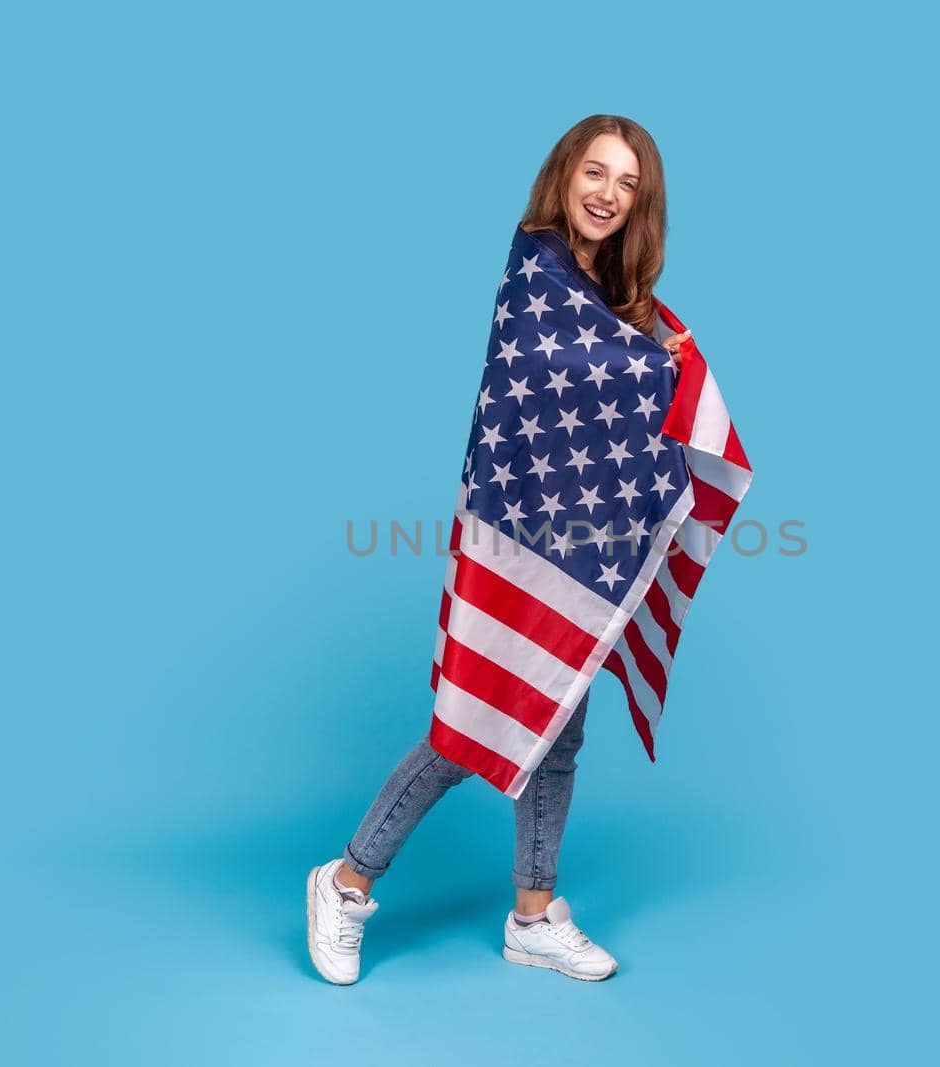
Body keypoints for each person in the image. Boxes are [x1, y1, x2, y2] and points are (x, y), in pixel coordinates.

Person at [306, 115, 692, 986]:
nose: (607, 195)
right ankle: (345, 880)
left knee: (559, 722)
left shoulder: (608, 284)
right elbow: (577, 370)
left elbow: (609, 391)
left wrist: (652, 347)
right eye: (596, 173)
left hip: (580, 539)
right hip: (516, 529)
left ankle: (532, 913)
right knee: (474, 719)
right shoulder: (539, 260)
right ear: (565, 174)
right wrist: (653, 363)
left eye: (627, 185)